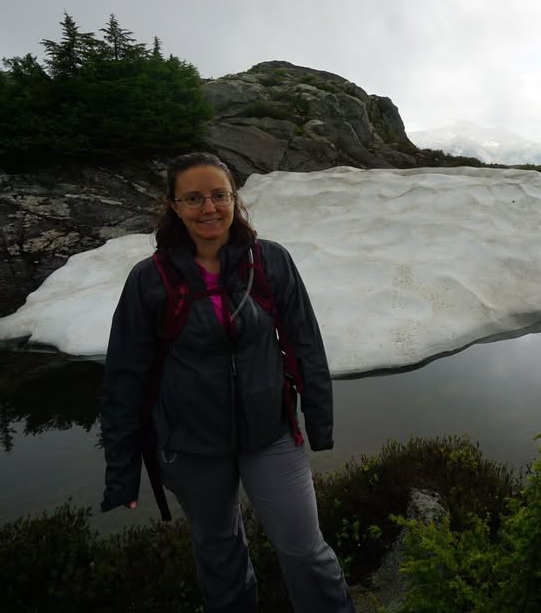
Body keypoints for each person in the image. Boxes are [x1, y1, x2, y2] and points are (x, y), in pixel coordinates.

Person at [101, 152, 355, 613]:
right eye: (193, 198)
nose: (209, 208)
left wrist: (318, 425)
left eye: (219, 195)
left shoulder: (270, 261)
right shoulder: (150, 279)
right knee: (219, 554)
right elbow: (124, 378)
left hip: (271, 434)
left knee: (304, 551)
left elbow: (305, 346)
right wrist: (122, 474)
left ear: (235, 199)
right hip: (190, 446)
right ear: (174, 206)